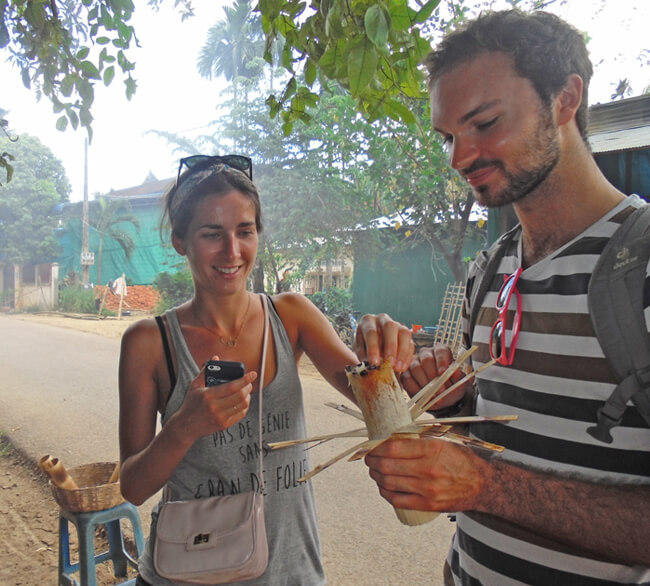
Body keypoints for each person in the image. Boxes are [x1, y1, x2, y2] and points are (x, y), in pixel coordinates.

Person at [359, 10, 650, 585]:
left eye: (485, 122)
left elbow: (493, 481)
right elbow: (495, 440)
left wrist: (485, 484)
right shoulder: (492, 270)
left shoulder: (639, 266)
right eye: (449, 136)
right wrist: (444, 407)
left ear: (565, 99)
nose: (459, 157)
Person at [117, 154, 413, 585]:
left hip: (290, 572)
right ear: (180, 240)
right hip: (186, 573)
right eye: (211, 234)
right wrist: (183, 427)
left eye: (245, 231)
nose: (232, 251)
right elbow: (133, 486)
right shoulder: (148, 343)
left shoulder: (292, 316)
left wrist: (379, 340)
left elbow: (381, 398)